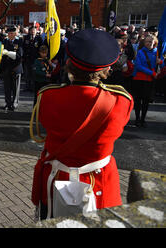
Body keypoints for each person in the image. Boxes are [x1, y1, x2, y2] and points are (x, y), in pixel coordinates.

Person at [30, 28, 134, 220]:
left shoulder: (48, 96)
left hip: (55, 180)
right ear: (106, 69)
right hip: (99, 184)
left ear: (69, 64)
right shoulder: (121, 101)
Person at [131, 34, 164, 127]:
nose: (149, 43)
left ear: (155, 42)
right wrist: (152, 73)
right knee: (138, 101)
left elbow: (162, 65)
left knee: (146, 101)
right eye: (147, 41)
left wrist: (160, 62)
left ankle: (143, 119)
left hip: (150, 81)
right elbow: (139, 66)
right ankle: (137, 119)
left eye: (151, 41)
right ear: (144, 43)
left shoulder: (157, 52)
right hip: (139, 79)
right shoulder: (140, 52)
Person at [1, 26, 23, 111]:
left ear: (15, 33)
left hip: (16, 67)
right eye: (9, 33)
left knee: (15, 88)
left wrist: (7, 53)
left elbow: (19, 55)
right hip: (7, 67)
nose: (10, 35)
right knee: (7, 88)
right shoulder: (5, 41)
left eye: (12, 33)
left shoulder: (19, 41)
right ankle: (8, 103)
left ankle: (14, 103)